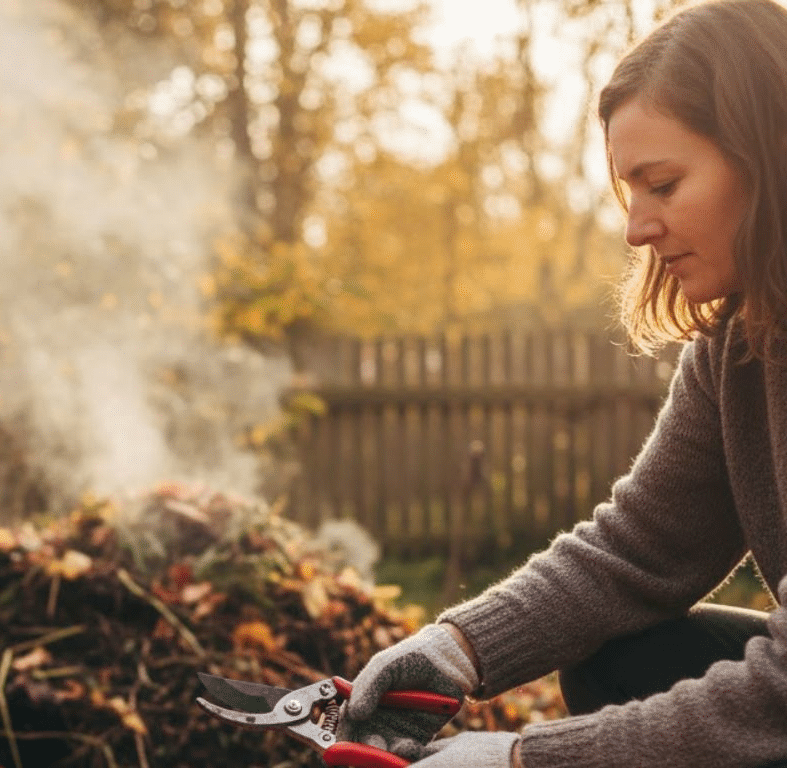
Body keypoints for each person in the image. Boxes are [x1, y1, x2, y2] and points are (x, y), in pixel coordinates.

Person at [337, 1, 787, 766]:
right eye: (629, 191)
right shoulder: (737, 345)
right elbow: (641, 546)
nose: (635, 228)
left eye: (664, 184)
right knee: (619, 656)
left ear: (769, 155)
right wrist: (458, 645)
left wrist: (526, 759)